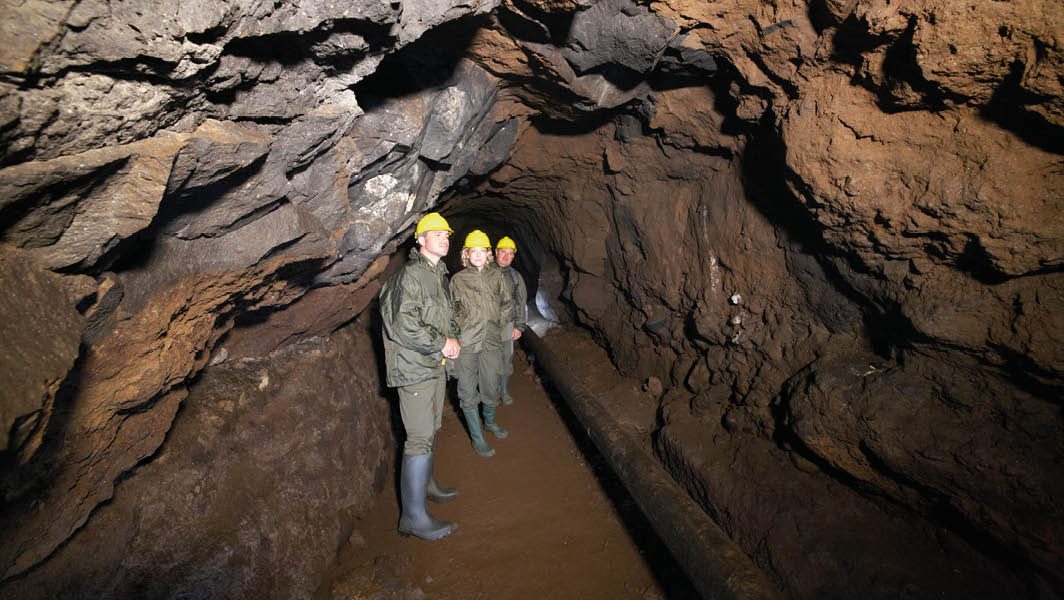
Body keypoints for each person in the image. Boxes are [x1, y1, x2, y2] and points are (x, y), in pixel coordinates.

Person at [378, 212, 460, 540]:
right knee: (419, 438)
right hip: (414, 369)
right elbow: (402, 324)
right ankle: (413, 518)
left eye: (446, 234)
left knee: (430, 429)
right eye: (436, 234)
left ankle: (426, 485)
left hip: (433, 366)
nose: (444, 238)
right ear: (421, 240)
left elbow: (441, 317)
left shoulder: (437, 274)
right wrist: (442, 343)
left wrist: (451, 343)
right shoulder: (411, 276)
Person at [450, 229, 513, 457]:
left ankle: (490, 422)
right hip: (467, 342)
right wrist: (459, 329)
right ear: (466, 254)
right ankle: (477, 438)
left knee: (491, 385)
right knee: (467, 389)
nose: (477, 255)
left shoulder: (498, 277)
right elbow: (452, 310)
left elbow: (507, 303)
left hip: (491, 341)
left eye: (482, 251)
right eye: (472, 251)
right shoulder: (458, 280)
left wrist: (497, 323)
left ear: (489, 254)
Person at [494, 236, 527, 405]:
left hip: (507, 326)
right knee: (487, 362)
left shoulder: (515, 277)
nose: (506, 257)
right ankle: (490, 392)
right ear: (496, 253)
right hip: (487, 327)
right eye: (503, 252)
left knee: (506, 360)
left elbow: (521, 302)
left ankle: (504, 390)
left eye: (510, 253)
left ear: (514, 256)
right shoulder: (484, 273)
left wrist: (519, 326)